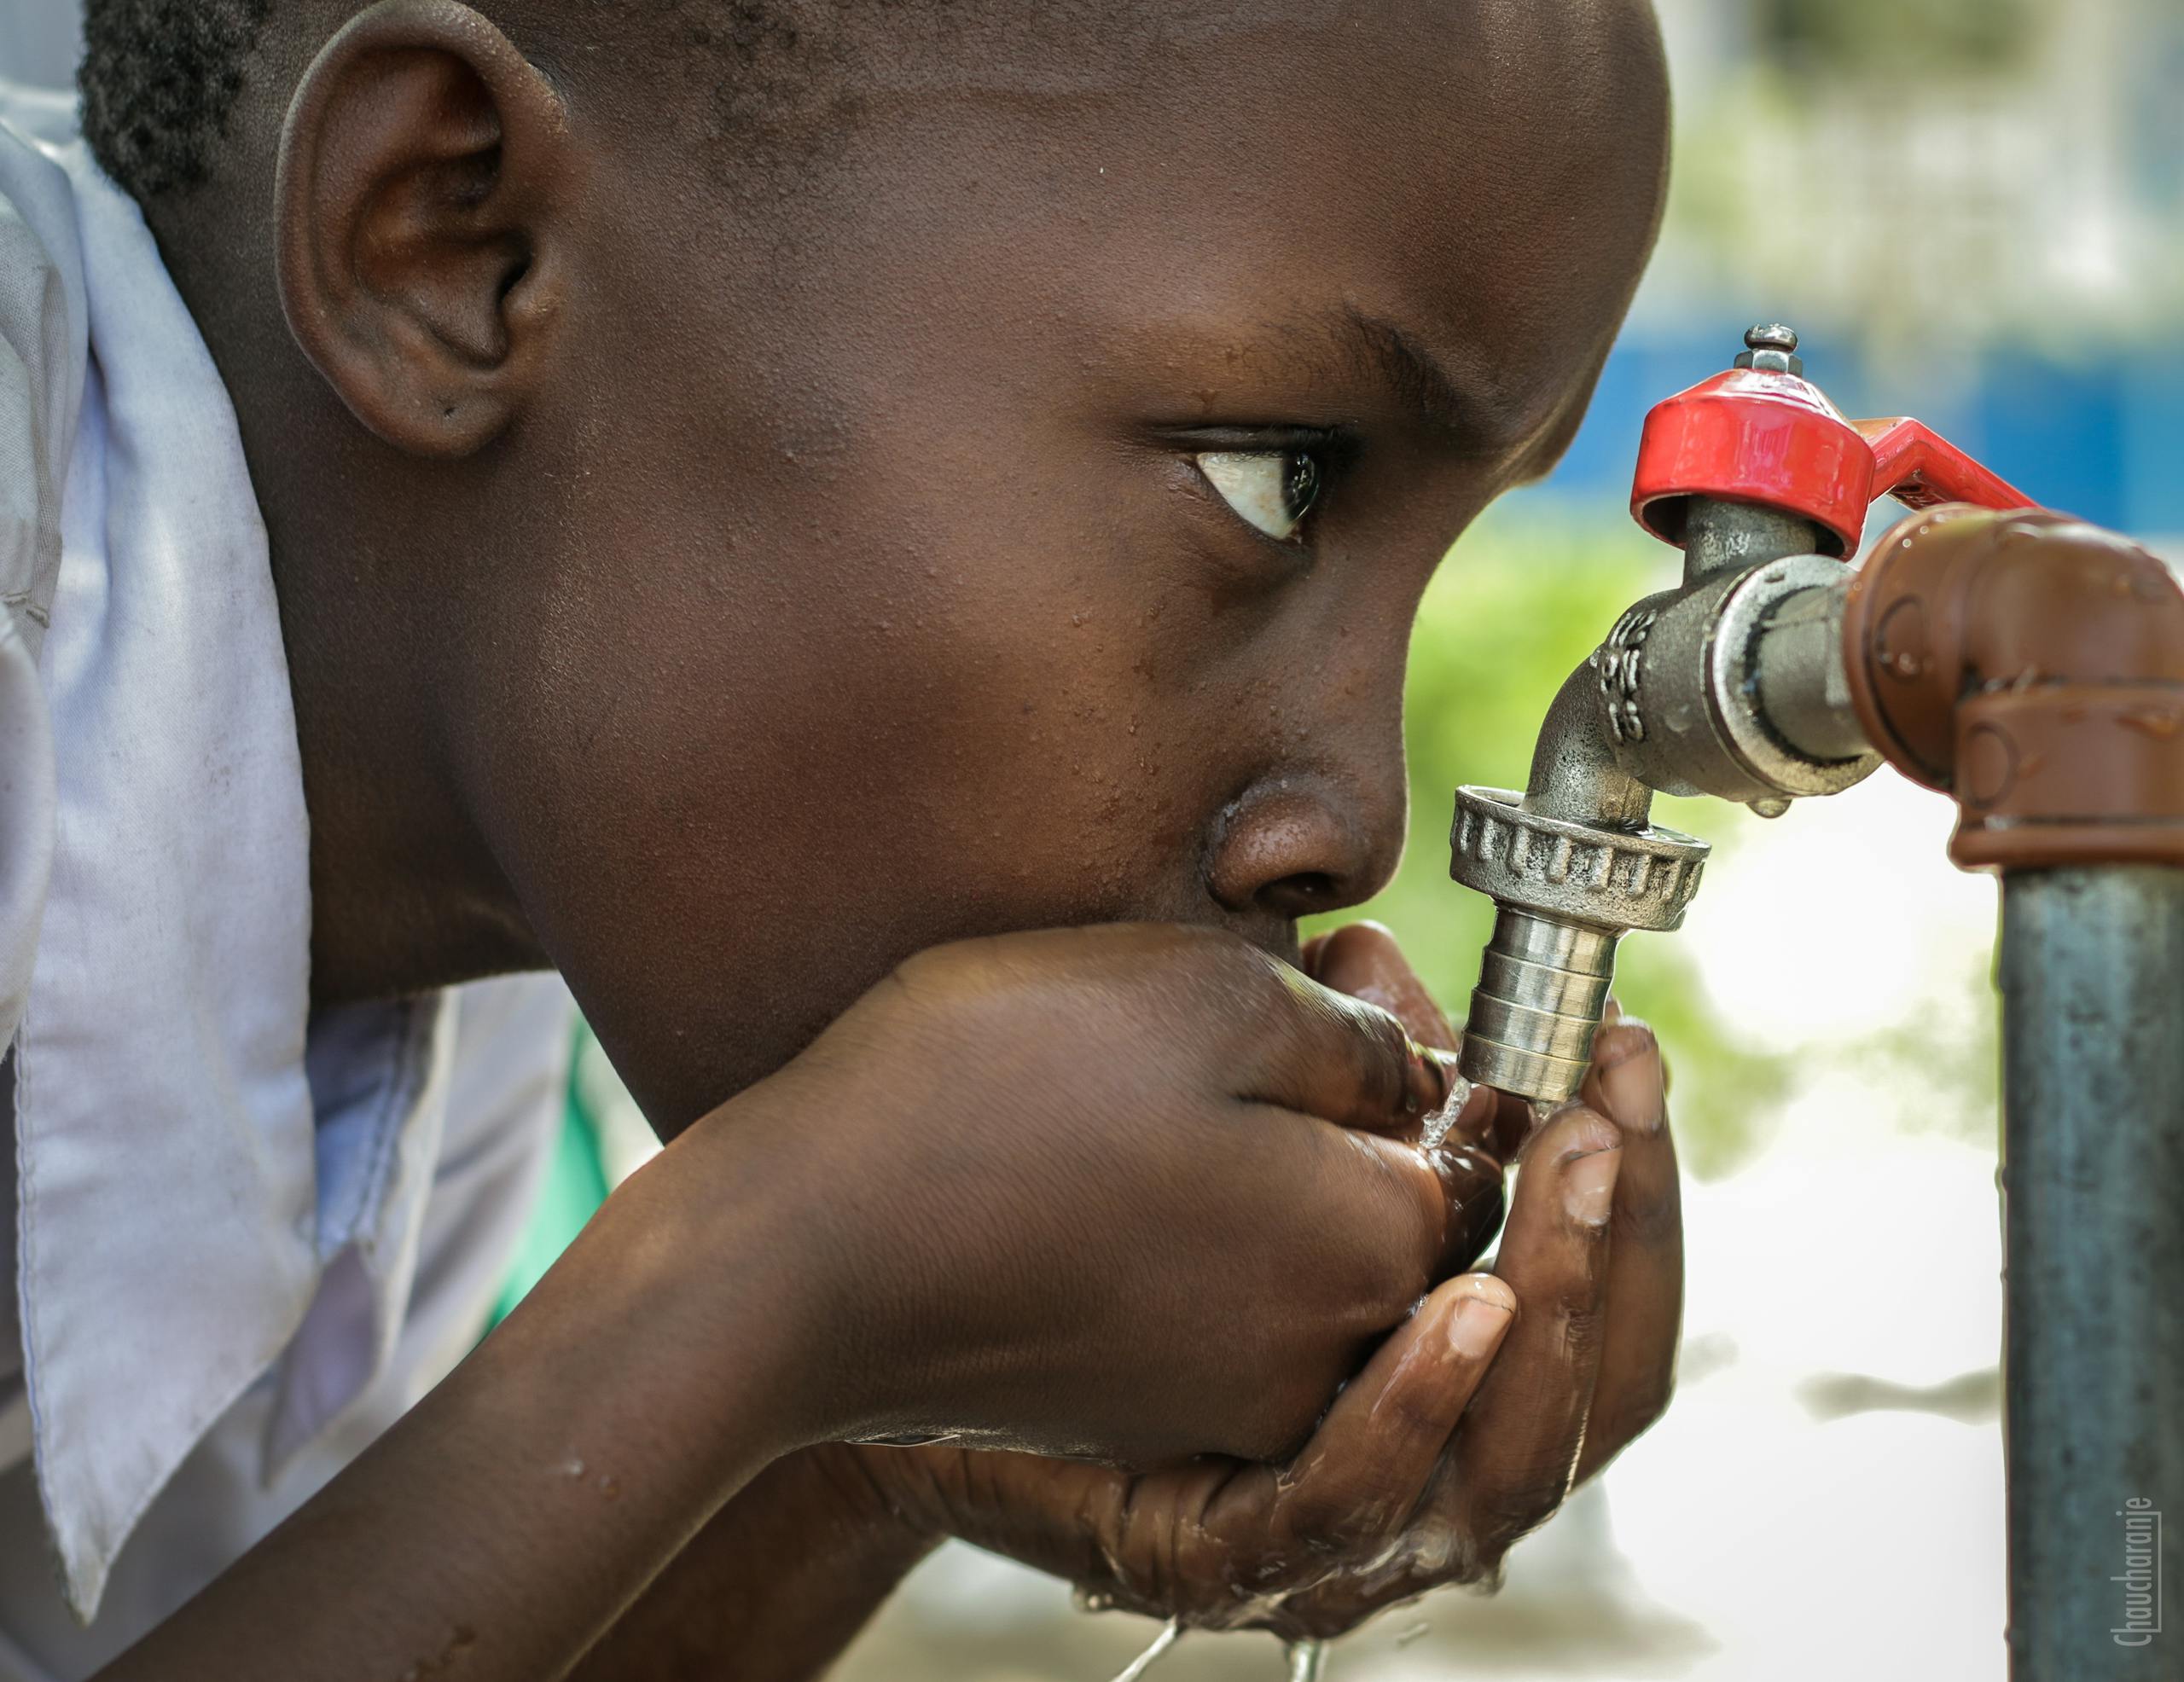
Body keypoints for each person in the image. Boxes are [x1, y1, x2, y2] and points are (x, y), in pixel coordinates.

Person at [0, 1, 1685, 1675]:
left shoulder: (452, 936)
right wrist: (761, 1283)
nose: (1351, 827)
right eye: (1269, 477)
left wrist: (859, 1436)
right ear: (456, 245)